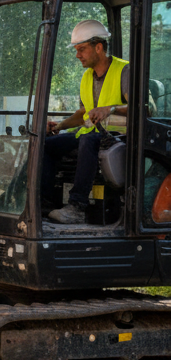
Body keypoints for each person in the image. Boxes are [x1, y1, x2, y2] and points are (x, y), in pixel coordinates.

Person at [43, 19, 130, 224]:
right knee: (45, 146)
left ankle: (77, 206)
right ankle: (45, 202)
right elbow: (83, 113)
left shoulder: (124, 71)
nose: (77, 55)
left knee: (88, 140)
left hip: (117, 137)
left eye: (81, 49)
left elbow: (145, 108)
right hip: (90, 133)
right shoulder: (86, 77)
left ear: (98, 47)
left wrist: (111, 109)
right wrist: (60, 126)